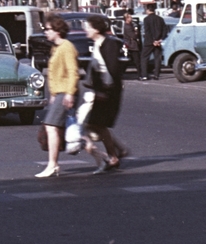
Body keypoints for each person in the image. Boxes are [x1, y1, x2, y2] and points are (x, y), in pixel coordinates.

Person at [81, 16, 127, 174]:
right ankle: (117, 152)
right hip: (102, 90)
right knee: (96, 124)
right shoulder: (97, 43)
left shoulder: (109, 44)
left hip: (108, 91)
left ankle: (115, 154)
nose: (85, 30)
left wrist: (104, 91)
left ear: (96, 29)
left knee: (95, 124)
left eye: (88, 27)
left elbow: (112, 69)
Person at [35, 13, 78, 179]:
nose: (46, 32)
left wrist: (69, 93)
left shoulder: (66, 47)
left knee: (51, 126)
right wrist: (53, 93)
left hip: (65, 92)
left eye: (48, 29)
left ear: (57, 31)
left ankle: (53, 164)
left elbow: (73, 72)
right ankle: (104, 157)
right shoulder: (56, 48)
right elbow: (54, 74)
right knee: (60, 127)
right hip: (59, 93)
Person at [141, 2, 166, 80]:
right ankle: (156, 75)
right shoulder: (160, 19)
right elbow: (165, 30)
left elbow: (147, 32)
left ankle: (145, 75)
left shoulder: (146, 19)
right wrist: (159, 40)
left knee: (144, 58)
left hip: (149, 42)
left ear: (148, 10)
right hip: (158, 42)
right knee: (157, 58)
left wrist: (153, 41)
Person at [121, 13, 141, 78]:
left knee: (129, 61)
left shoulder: (131, 24)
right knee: (136, 60)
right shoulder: (127, 26)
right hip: (131, 45)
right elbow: (133, 35)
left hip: (131, 44)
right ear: (126, 19)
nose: (131, 18)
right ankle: (140, 75)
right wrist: (136, 31)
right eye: (130, 17)